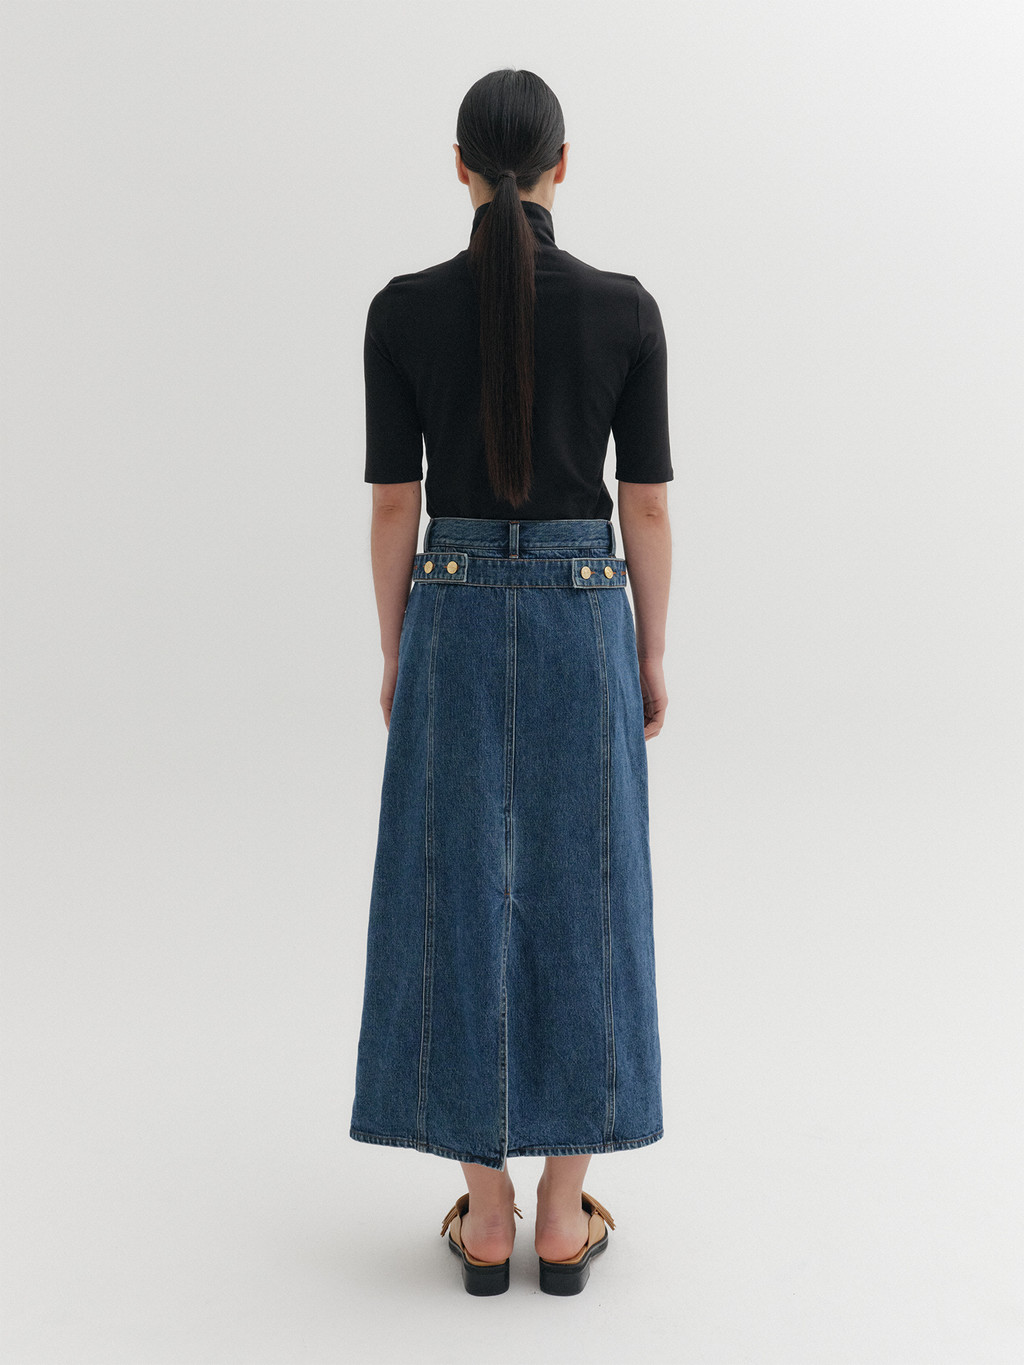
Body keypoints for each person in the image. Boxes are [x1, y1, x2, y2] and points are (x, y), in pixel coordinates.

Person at [349, 68, 673, 1297]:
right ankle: (560, 1213)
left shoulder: (401, 310)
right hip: (588, 612)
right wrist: (648, 651)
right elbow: (644, 505)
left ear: (458, 166)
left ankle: (484, 1215)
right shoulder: (625, 309)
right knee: (589, 893)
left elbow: (396, 504)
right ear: (561, 164)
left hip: (451, 605)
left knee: (449, 893)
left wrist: (401, 646)